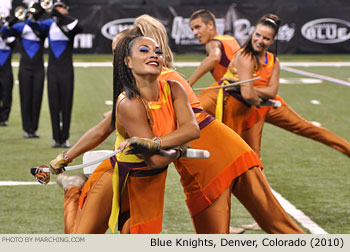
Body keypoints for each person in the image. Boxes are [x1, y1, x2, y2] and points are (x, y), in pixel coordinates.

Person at [50, 18, 304, 234]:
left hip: (216, 159)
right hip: (199, 168)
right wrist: (66, 155)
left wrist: (158, 140)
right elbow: (110, 126)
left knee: (280, 229)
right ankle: (74, 187)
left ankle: (73, 188)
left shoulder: (165, 82)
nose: (116, 61)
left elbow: (183, 131)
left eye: (118, 52)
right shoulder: (141, 91)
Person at [50, 32, 200, 234]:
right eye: (144, 51)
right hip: (118, 179)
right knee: (80, 241)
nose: (154, 55)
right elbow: (154, 159)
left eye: (158, 52)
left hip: (151, 182)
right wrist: (179, 150)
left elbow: (192, 129)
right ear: (128, 62)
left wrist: (157, 143)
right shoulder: (129, 101)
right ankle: (73, 189)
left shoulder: (175, 89)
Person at [188, 9, 261, 135]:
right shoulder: (230, 39)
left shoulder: (213, 43)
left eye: (197, 27)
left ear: (210, 25)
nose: (195, 32)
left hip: (230, 98)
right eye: (192, 29)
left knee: (188, 110)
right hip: (246, 98)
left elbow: (214, 57)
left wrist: (188, 83)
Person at [28, 0, 83, 148]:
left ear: (66, 10)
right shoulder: (49, 24)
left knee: (66, 104)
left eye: (61, 8)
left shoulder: (69, 24)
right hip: (52, 70)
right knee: (53, 104)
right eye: (56, 8)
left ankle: (64, 137)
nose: (57, 10)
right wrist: (41, 9)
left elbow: (79, 27)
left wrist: (57, 14)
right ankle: (56, 138)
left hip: (66, 70)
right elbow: (31, 23)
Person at [1, 4, 45, 138]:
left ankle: (34, 128)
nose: (29, 16)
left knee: (37, 98)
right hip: (24, 68)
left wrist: (38, 15)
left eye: (32, 14)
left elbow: (43, 30)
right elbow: (4, 31)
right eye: (28, 14)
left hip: (39, 68)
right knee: (25, 99)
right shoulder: (21, 27)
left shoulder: (41, 27)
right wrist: (15, 18)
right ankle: (27, 129)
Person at [0, 16, 15, 126]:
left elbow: (12, 43)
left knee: (6, 92)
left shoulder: (10, 32)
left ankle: (4, 117)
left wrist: (4, 33)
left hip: (6, 65)